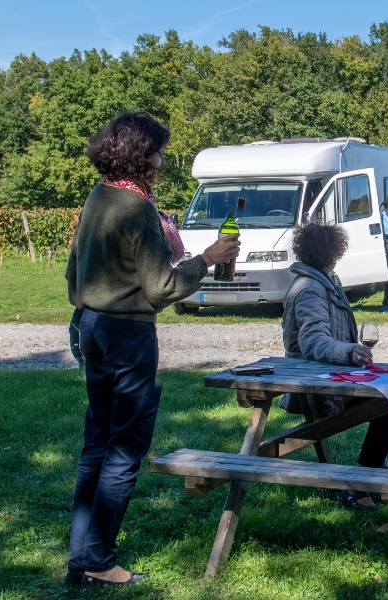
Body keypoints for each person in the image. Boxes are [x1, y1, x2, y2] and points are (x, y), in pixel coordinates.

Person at [65, 112, 240, 588]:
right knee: (123, 448)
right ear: (142, 155)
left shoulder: (98, 196)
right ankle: (100, 561)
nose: (163, 161)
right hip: (127, 335)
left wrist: (83, 313)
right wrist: (206, 260)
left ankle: (80, 560)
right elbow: (162, 288)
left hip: (95, 326)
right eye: (159, 151)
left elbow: (73, 272)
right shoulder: (136, 208)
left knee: (96, 444)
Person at [281, 222, 388, 508]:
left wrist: (351, 353)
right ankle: (362, 482)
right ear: (332, 252)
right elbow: (313, 341)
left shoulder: (322, 281)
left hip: (332, 376)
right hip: (316, 384)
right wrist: (350, 352)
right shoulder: (310, 288)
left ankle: (372, 471)